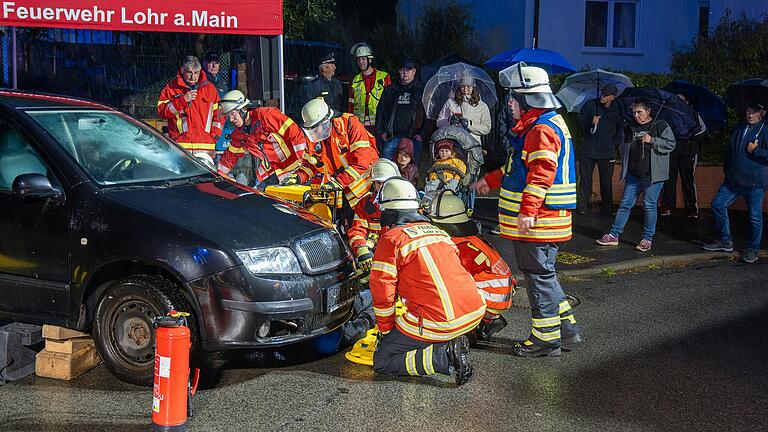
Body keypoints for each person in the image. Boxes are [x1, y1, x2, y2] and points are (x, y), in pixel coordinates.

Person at [473, 63, 582, 357]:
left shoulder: (541, 129)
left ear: (528, 99)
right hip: (544, 220)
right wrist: (490, 181)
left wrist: (528, 212)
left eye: (514, 97)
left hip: (540, 222)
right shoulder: (539, 126)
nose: (510, 103)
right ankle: (567, 332)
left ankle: (545, 339)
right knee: (545, 275)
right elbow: (517, 169)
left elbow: (541, 174)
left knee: (538, 278)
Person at [370, 177, 485, 385]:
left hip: (440, 320)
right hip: (473, 312)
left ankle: (444, 355)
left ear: (388, 212)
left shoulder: (393, 239)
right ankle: (449, 342)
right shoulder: (439, 232)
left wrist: (386, 330)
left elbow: (383, 290)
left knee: (382, 360)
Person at [427, 189, 514, 341]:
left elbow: (452, 278)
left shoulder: (462, 247)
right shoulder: (472, 239)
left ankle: (477, 322)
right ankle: (488, 318)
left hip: (493, 297)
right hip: (501, 292)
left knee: (444, 287)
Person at [596, 100, 676, 252]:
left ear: (649, 111)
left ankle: (647, 239)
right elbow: (624, 145)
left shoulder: (660, 125)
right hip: (634, 174)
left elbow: (671, 144)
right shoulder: (631, 127)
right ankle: (613, 235)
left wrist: (652, 140)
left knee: (649, 205)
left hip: (653, 175)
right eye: (634, 112)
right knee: (625, 204)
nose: (636, 115)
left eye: (640, 112)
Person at [339, 158, 402, 348]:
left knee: (385, 295)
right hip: (374, 257)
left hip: (396, 262)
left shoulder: (404, 202)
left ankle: (361, 323)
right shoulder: (365, 204)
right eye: (377, 182)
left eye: (384, 182)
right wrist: (362, 250)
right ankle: (351, 312)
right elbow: (357, 230)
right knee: (364, 284)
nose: (380, 187)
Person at [702, 104, 768, 263]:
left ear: (763, 113)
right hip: (733, 180)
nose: (750, 115)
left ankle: (753, 249)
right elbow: (731, 151)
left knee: (755, 217)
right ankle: (725, 241)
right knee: (718, 204)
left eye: (754, 112)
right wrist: (727, 170)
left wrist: (756, 150)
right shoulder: (740, 127)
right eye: (748, 111)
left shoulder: (765, 129)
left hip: (754, 183)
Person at [283, 98, 379, 208]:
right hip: (339, 188)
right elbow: (312, 164)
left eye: (318, 126)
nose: (316, 131)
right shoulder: (314, 137)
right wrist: (297, 177)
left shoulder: (349, 124)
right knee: (341, 221)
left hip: (364, 188)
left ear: (328, 119)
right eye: (312, 129)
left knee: (364, 221)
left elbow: (363, 161)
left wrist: (339, 182)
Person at [217, 90, 308, 185]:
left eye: (233, 114)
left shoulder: (266, 115)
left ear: (243, 109)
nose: (231, 119)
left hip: (295, 168)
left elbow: (295, 134)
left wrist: (303, 164)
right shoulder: (239, 134)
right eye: (228, 116)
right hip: (274, 172)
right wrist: (220, 174)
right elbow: (230, 156)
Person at [157, 55, 222, 159]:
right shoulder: (171, 88)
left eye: (196, 73)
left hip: (205, 148)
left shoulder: (210, 88)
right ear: (182, 70)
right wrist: (182, 100)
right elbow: (162, 112)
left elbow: (219, 115)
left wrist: (214, 136)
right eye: (189, 72)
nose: (193, 77)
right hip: (180, 147)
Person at [577, 83, 625, 216]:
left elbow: (621, 128)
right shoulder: (590, 105)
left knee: (606, 181)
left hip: (607, 151)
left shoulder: (618, 109)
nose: (602, 96)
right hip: (588, 149)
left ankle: (607, 207)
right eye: (602, 93)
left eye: (605, 95)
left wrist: (614, 144)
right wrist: (590, 122)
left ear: (613, 97)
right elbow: (580, 121)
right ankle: (582, 205)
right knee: (585, 179)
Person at [660, 93, 707, 219]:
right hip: (671, 152)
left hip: (689, 152)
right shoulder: (668, 114)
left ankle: (691, 209)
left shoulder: (694, 114)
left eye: (681, 100)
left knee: (688, 181)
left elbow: (703, 130)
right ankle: (667, 206)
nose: (678, 102)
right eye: (676, 99)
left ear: (687, 101)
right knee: (668, 180)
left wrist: (689, 137)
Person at [375, 59, 426, 165]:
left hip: (414, 138)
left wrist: (422, 134)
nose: (405, 72)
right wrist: (381, 133)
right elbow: (380, 112)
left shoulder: (422, 91)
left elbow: (428, 115)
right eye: (402, 69)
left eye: (408, 69)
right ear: (398, 71)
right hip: (392, 137)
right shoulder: (389, 90)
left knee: (412, 170)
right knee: (388, 168)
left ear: (414, 71)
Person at [349, 42, 391, 137]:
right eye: (358, 59)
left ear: (370, 60)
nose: (361, 62)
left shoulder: (384, 77)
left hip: (379, 125)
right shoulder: (355, 80)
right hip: (360, 126)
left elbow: (390, 103)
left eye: (363, 59)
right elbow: (351, 104)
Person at [436, 76, 492, 145]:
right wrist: (449, 120)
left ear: (473, 88)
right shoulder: (451, 102)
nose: (465, 89)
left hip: (472, 145)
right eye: (462, 86)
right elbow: (438, 123)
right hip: (453, 143)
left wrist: (469, 124)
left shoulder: (482, 106)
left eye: (468, 87)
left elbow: (486, 128)